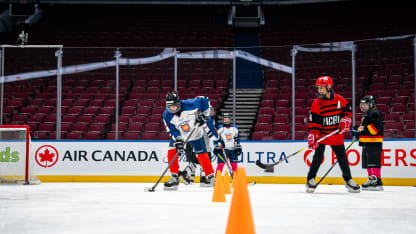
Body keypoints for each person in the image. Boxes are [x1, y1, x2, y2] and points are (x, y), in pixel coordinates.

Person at [306, 76, 360, 193]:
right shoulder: (317, 103)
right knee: (318, 157)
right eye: (318, 88)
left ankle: (348, 180)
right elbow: (315, 123)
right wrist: (313, 135)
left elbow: (347, 113)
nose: (319, 90)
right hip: (323, 135)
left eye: (322, 87)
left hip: (336, 135)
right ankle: (310, 179)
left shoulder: (340, 100)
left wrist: (345, 121)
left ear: (329, 87)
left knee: (342, 159)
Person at [162, 91, 216, 190]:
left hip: (195, 133)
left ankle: (210, 176)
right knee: (171, 152)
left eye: (174, 106)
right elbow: (171, 130)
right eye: (169, 106)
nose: (172, 109)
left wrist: (205, 115)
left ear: (178, 103)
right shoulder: (167, 115)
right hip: (180, 136)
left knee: (202, 155)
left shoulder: (190, 104)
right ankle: (174, 178)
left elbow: (205, 99)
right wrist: (178, 140)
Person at [351, 95, 384, 191]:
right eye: (362, 104)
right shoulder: (367, 113)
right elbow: (366, 126)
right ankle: (371, 179)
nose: (363, 106)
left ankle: (377, 181)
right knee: (368, 163)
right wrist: (358, 131)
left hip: (374, 142)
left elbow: (375, 129)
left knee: (374, 162)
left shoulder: (375, 112)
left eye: (365, 104)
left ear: (371, 104)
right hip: (367, 142)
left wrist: (363, 129)